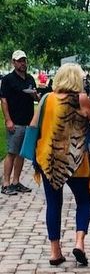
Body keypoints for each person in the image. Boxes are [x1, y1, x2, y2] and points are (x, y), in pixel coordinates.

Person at [32, 63, 90, 266]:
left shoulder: (46, 99)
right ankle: (79, 243)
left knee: (53, 203)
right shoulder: (81, 99)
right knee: (84, 200)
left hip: (50, 160)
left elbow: (33, 125)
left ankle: (55, 252)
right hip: (76, 160)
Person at [1, 50, 39, 195]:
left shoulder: (30, 79)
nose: (22, 63)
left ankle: (16, 181)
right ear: (14, 62)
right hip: (15, 121)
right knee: (11, 152)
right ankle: (6, 184)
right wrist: (8, 119)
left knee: (21, 153)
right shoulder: (8, 79)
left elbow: (35, 98)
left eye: (24, 60)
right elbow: (3, 100)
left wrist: (35, 95)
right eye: (19, 61)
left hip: (28, 121)